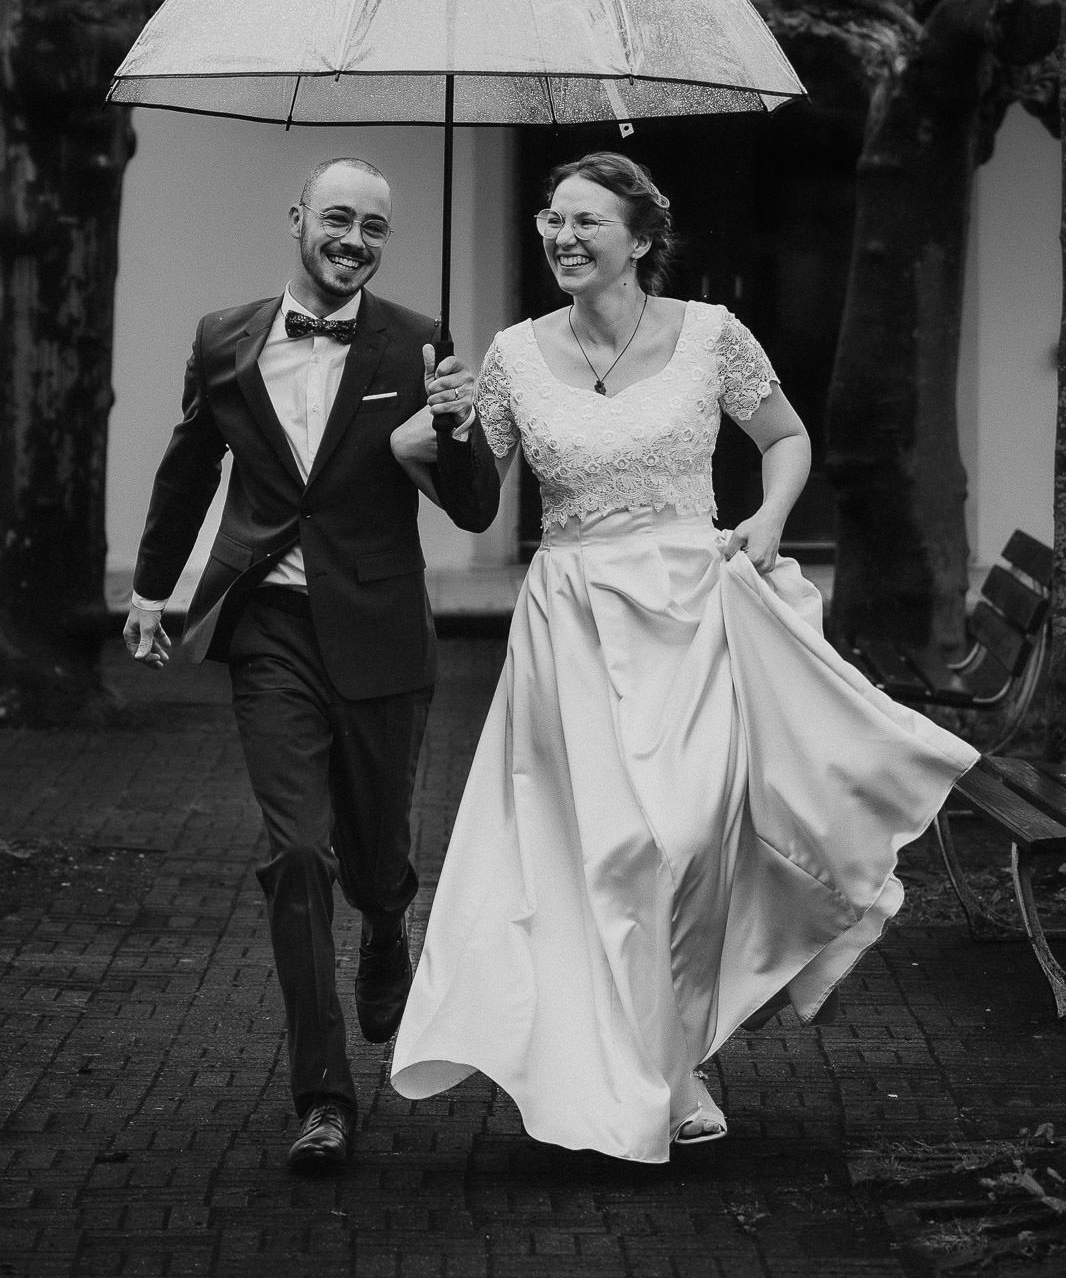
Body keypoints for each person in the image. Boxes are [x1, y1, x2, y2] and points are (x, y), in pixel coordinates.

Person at [388, 150, 978, 1164]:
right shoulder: (514, 354)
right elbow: (470, 492)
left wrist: (765, 518)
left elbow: (786, 437)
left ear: (641, 237)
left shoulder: (711, 335)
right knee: (607, 856)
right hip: (570, 623)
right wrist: (433, 435)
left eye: (585, 221)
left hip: (690, 612)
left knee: (685, 836)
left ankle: (674, 1044)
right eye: (550, 220)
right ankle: (646, 1074)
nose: (561, 237)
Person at [123, 157, 499, 1175]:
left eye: (374, 227)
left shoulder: (419, 341)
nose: (355, 240)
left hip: (379, 630)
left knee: (375, 856)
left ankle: (386, 920)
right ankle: (322, 1091)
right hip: (270, 632)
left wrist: (460, 427)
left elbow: (473, 509)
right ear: (298, 220)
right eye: (338, 219)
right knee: (297, 853)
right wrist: (154, 589)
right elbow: (189, 464)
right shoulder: (224, 338)